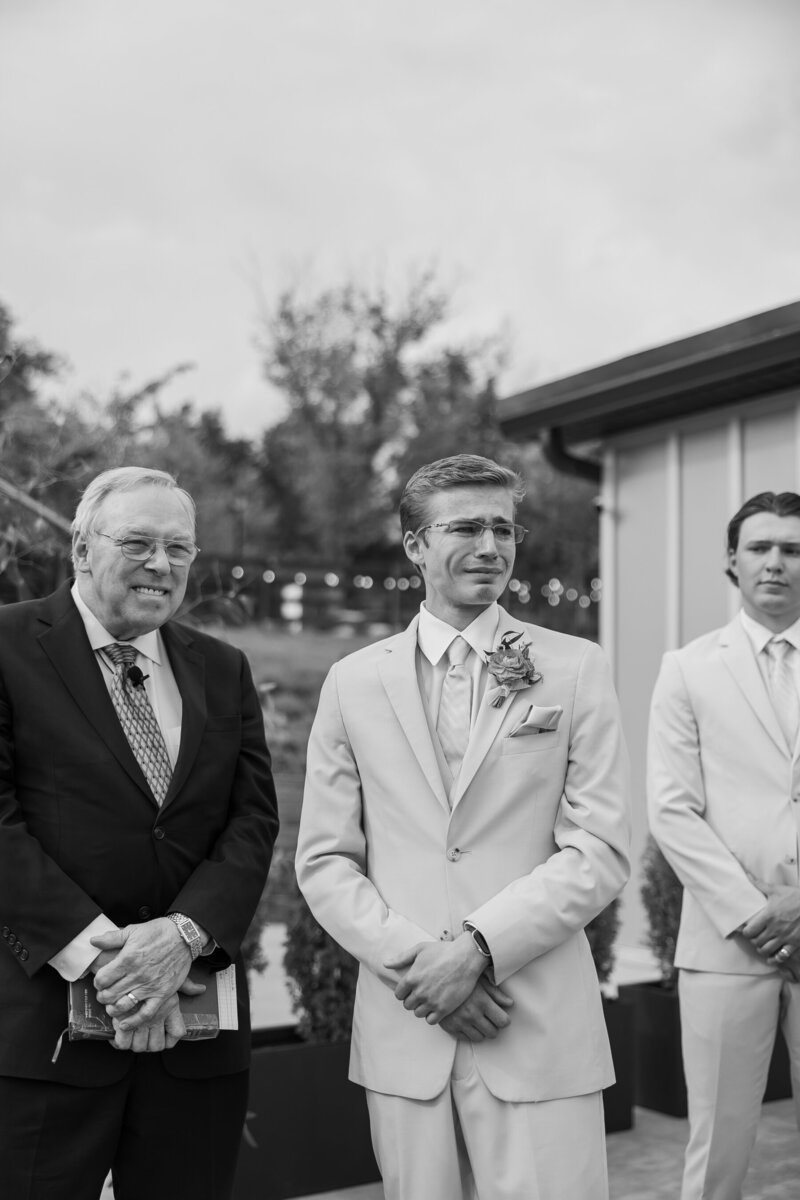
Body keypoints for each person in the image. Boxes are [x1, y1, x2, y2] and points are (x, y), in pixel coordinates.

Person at [296, 454, 630, 1200]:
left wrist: (479, 949)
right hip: (406, 1027)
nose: (490, 545)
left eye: (503, 528)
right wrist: (427, 969)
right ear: (414, 544)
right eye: (467, 526)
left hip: (536, 1022)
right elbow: (325, 861)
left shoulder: (574, 668)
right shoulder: (353, 680)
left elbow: (601, 848)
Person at [0, 466, 279, 1200]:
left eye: (179, 548)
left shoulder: (222, 669)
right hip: (41, 1038)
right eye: (139, 543)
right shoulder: (4, 646)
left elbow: (252, 823)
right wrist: (116, 965)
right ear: (81, 549)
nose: (162, 564)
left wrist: (182, 936)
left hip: (196, 1036)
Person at [648, 490, 800, 1200]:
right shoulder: (687, 668)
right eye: (761, 547)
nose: (776, 562)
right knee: (718, 1148)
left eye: (792, 549)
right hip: (726, 940)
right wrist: (757, 914)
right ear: (732, 563)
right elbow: (672, 810)